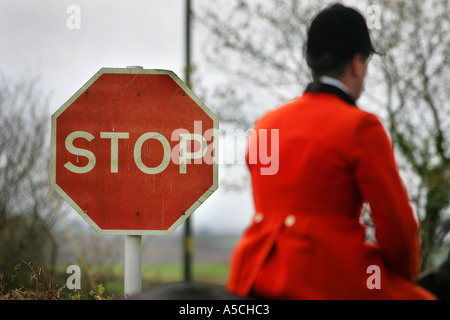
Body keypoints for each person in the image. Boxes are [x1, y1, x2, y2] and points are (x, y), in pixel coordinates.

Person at [227, 3, 436, 299]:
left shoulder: (267, 124)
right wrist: (405, 274)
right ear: (356, 63)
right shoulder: (361, 126)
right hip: (324, 275)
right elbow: (397, 228)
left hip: (253, 272)